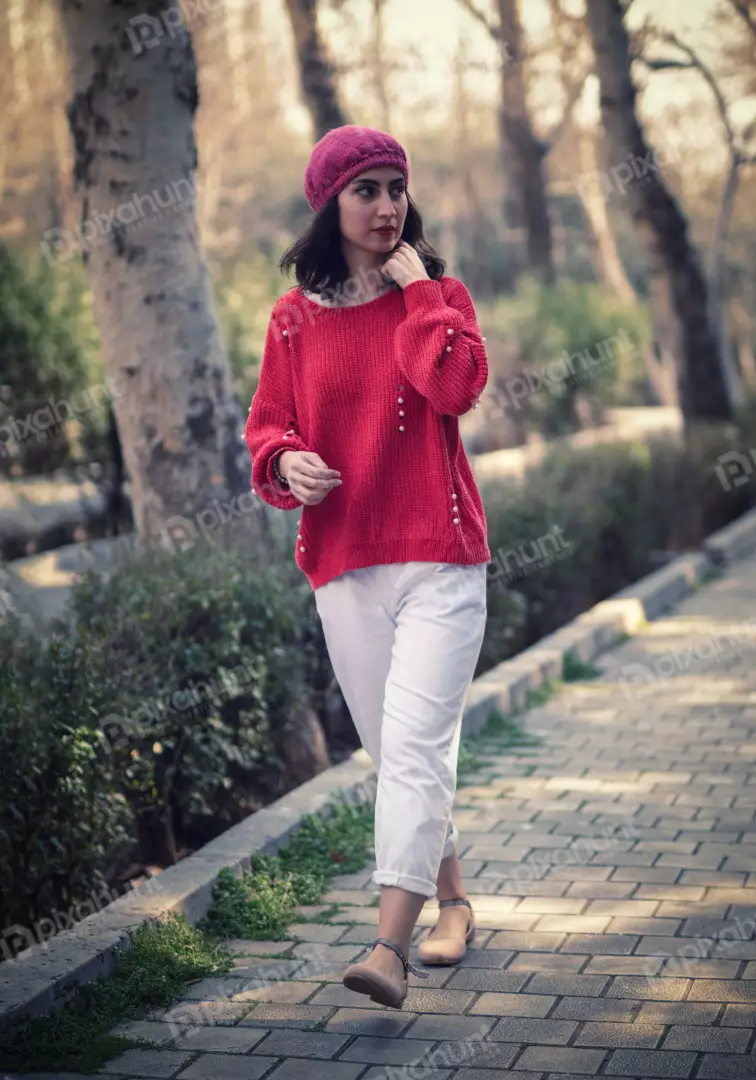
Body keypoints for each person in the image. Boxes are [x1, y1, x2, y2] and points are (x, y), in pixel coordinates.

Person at [245, 125, 491, 1009]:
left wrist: (420, 291)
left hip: (440, 561)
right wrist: (284, 462)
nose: (387, 207)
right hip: (344, 563)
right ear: (330, 206)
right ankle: (453, 899)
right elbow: (267, 427)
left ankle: (386, 947)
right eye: (366, 191)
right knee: (398, 755)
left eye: (396, 189)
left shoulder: (439, 293)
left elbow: (457, 387)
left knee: (418, 747)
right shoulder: (292, 321)